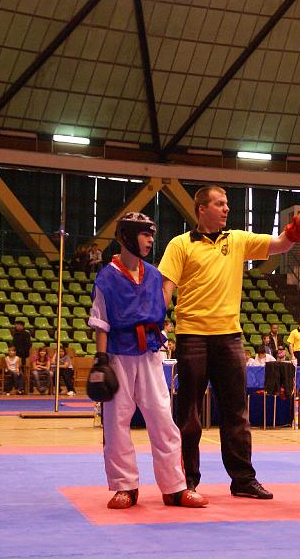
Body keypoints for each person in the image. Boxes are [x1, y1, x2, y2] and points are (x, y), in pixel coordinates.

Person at [158, 183, 300, 500]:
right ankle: (184, 482)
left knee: (237, 413)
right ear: (202, 209)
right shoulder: (179, 244)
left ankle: (242, 479)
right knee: (188, 414)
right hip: (191, 336)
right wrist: (155, 325)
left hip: (229, 337)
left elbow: (284, 243)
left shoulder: (238, 240)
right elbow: (165, 289)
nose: (227, 208)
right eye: (219, 203)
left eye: (227, 203)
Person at [89, 211, 207, 510]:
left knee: (162, 418)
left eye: (152, 234)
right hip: (118, 354)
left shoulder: (154, 275)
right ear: (127, 236)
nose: (151, 240)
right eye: (145, 234)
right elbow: (101, 323)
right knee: (116, 421)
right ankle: (125, 486)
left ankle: (175, 488)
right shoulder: (106, 278)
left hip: (151, 353)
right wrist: (100, 361)